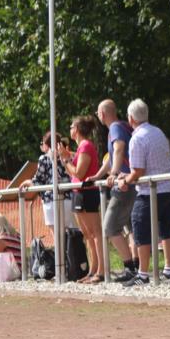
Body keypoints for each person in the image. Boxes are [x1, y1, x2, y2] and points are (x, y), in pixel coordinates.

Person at [118, 99, 170, 286]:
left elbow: (138, 171)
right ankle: (169, 269)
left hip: (151, 191)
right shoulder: (158, 132)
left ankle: (143, 274)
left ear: (131, 118)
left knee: (140, 228)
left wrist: (125, 181)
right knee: (166, 229)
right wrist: (129, 176)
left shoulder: (137, 138)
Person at [95, 99, 140, 282]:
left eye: (98, 113)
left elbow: (119, 149)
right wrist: (98, 175)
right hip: (132, 183)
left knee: (110, 227)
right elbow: (111, 158)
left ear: (102, 114)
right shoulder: (122, 126)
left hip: (124, 184)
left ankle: (130, 268)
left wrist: (113, 174)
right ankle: (137, 266)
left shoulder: (115, 128)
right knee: (130, 228)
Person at [59, 116, 104, 284]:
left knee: (95, 232)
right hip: (78, 192)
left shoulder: (85, 146)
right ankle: (93, 270)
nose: (69, 129)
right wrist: (66, 156)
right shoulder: (81, 148)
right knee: (87, 234)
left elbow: (79, 173)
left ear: (76, 129)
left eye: (71, 126)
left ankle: (101, 271)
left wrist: (65, 160)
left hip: (87, 193)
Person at [19, 131, 74, 249]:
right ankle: (71, 258)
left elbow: (38, 180)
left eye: (42, 143)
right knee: (69, 234)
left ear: (47, 144)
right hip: (68, 199)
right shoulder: (67, 156)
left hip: (50, 201)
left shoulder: (44, 158)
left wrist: (27, 182)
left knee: (57, 236)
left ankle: (60, 259)